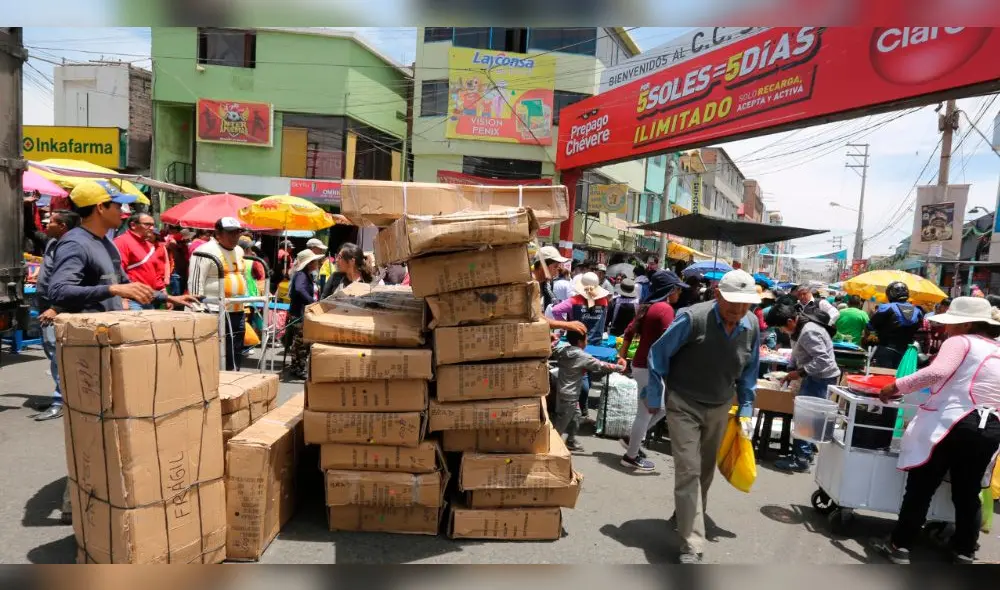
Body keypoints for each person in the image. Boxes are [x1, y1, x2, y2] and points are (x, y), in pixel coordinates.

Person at [47, 181, 199, 524]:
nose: (124, 211)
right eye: (118, 205)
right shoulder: (76, 243)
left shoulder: (106, 243)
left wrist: (166, 297)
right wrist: (112, 288)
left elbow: (125, 285)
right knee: (90, 425)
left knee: (108, 423)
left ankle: (103, 493)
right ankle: (77, 501)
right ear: (100, 208)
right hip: (86, 348)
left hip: (108, 343)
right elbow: (60, 290)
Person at [645, 269, 761, 563]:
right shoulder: (692, 318)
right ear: (717, 294)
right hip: (683, 402)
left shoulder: (750, 325)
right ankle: (692, 544)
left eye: (745, 304)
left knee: (706, 470)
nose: (738, 310)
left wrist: (746, 408)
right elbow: (658, 355)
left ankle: (685, 515)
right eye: (732, 302)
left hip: (720, 405)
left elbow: (750, 369)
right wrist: (655, 395)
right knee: (689, 469)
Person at [874, 297, 1000, 564]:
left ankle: (899, 545)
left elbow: (936, 372)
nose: (947, 328)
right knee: (967, 493)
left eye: (952, 323)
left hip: (951, 423)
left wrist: (895, 386)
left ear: (966, 324)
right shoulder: (997, 348)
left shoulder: (960, 341)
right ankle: (964, 550)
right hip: (989, 427)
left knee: (922, 486)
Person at [619, 269, 687, 472]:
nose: (680, 293)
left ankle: (632, 439)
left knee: (658, 409)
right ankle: (630, 456)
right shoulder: (664, 309)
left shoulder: (647, 306)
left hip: (643, 365)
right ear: (670, 289)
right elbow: (670, 340)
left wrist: (622, 356)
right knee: (647, 411)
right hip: (649, 367)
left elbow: (628, 332)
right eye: (678, 289)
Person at [767, 303, 841, 472]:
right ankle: (805, 453)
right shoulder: (798, 329)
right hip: (813, 376)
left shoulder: (808, 331)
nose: (781, 331)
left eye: (781, 327)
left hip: (819, 378)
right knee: (806, 417)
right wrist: (791, 368)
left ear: (790, 321)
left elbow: (823, 360)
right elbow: (797, 352)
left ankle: (800, 459)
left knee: (805, 418)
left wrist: (800, 373)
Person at [32, 209, 80, 422]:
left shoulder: (72, 247)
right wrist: (28, 206)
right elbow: (30, 231)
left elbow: (72, 281)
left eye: (50, 221)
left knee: (58, 355)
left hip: (58, 309)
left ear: (63, 226)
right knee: (52, 352)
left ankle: (61, 401)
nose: (46, 224)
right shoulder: (52, 242)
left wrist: (56, 308)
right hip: (46, 306)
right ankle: (65, 397)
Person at [188, 217, 251, 371]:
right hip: (213, 310)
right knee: (215, 351)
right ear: (218, 233)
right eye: (230, 233)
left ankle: (233, 377)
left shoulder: (239, 250)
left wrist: (246, 302)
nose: (235, 236)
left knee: (235, 350)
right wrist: (198, 309)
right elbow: (195, 281)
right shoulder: (204, 251)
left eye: (237, 232)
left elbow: (242, 276)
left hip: (237, 309)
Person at [550, 272, 612, 418]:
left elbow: (555, 310)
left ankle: (580, 406)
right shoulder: (603, 301)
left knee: (581, 373)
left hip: (579, 342)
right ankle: (582, 406)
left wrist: (566, 325)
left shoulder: (574, 300)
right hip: (595, 342)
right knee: (587, 372)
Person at [550, 330, 624, 452]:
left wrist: (554, 339)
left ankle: (571, 441)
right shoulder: (583, 356)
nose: (587, 341)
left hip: (564, 392)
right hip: (570, 395)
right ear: (580, 342)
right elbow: (601, 365)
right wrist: (620, 367)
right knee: (561, 423)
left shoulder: (562, 350)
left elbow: (553, 347)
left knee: (576, 416)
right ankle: (551, 446)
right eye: (586, 339)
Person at [114, 212, 167, 310]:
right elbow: (117, 272)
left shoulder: (149, 245)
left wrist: (163, 291)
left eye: (153, 225)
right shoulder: (122, 242)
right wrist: (122, 298)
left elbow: (156, 271)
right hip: (131, 300)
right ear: (133, 225)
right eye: (147, 224)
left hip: (150, 298)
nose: (152, 228)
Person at [285, 249, 324, 379]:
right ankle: (299, 368)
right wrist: (311, 301)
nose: (317, 263)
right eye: (315, 261)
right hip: (299, 313)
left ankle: (296, 367)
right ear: (309, 263)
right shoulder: (301, 275)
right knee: (301, 342)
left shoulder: (305, 275)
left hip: (299, 312)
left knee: (298, 342)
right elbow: (299, 288)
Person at [866, 281, 924, 369]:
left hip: (886, 349)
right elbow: (919, 329)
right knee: (903, 376)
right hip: (907, 352)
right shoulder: (918, 311)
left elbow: (870, 325)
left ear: (890, 294)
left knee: (883, 376)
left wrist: (873, 336)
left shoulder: (886, 307)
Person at [530, 246, 587, 335]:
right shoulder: (531, 284)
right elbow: (537, 317)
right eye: (555, 267)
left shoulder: (538, 283)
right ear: (542, 265)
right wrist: (568, 325)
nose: (557, 271)